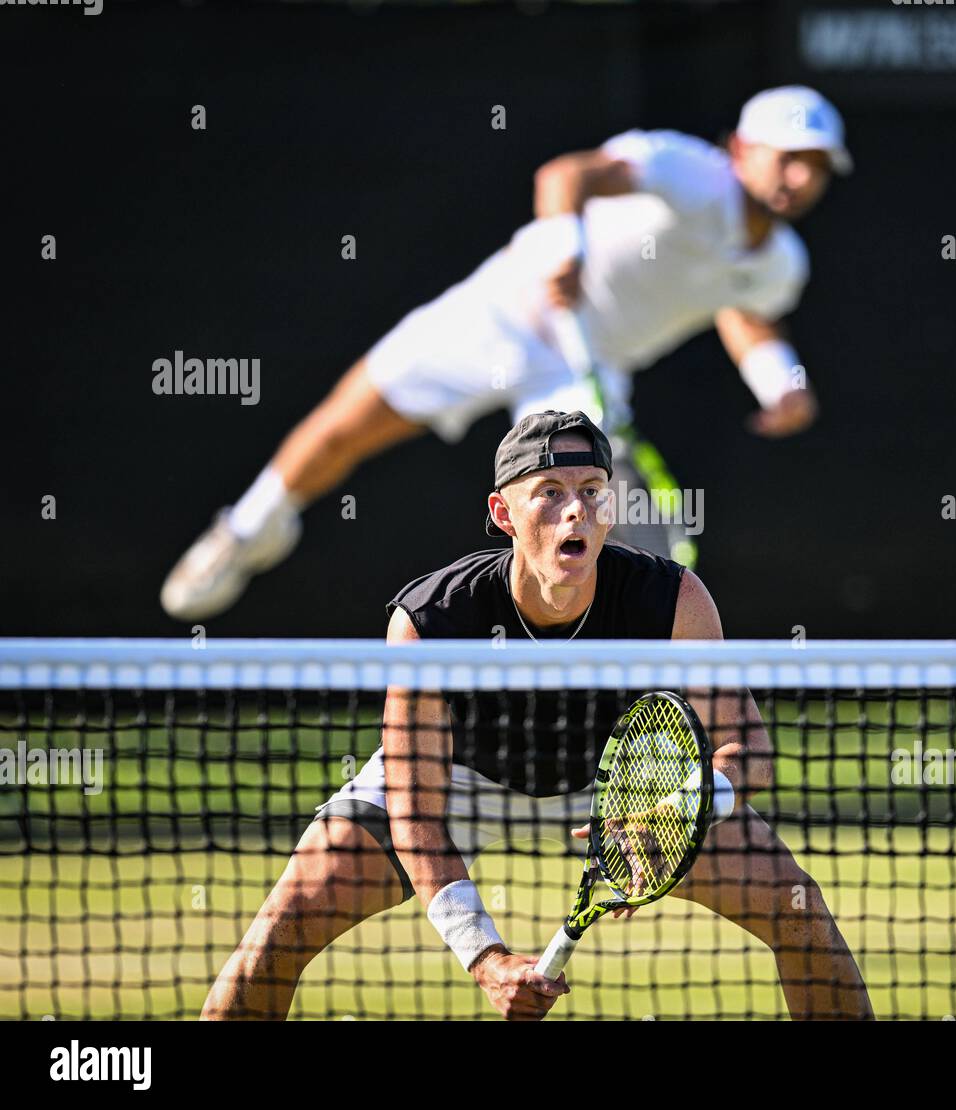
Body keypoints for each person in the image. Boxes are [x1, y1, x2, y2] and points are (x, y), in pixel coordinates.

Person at [200, 411, 872, 1020]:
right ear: (503, 512)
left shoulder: (672, 599)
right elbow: (412, 806)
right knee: (281, 930)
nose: (574, 512)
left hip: (618, 789)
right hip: (455, 781)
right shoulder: (433, 619)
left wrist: (679, 813)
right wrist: (485, 957)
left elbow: (747, 749)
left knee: (800, 912)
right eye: (549, 492)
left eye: (590, 492)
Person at [162, 85, 851, 619]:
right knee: (348, 422)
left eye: (815, 167)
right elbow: (566, 175)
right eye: (786, 157)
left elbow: (747, 312)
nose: (799, 177)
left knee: (568, 534)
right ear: (738, 148)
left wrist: (778, 379)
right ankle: (247, 531)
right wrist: (564, 245)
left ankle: (559, 683)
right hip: (501, 313)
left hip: (584, 373)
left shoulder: (783, 263)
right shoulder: (685, 169)